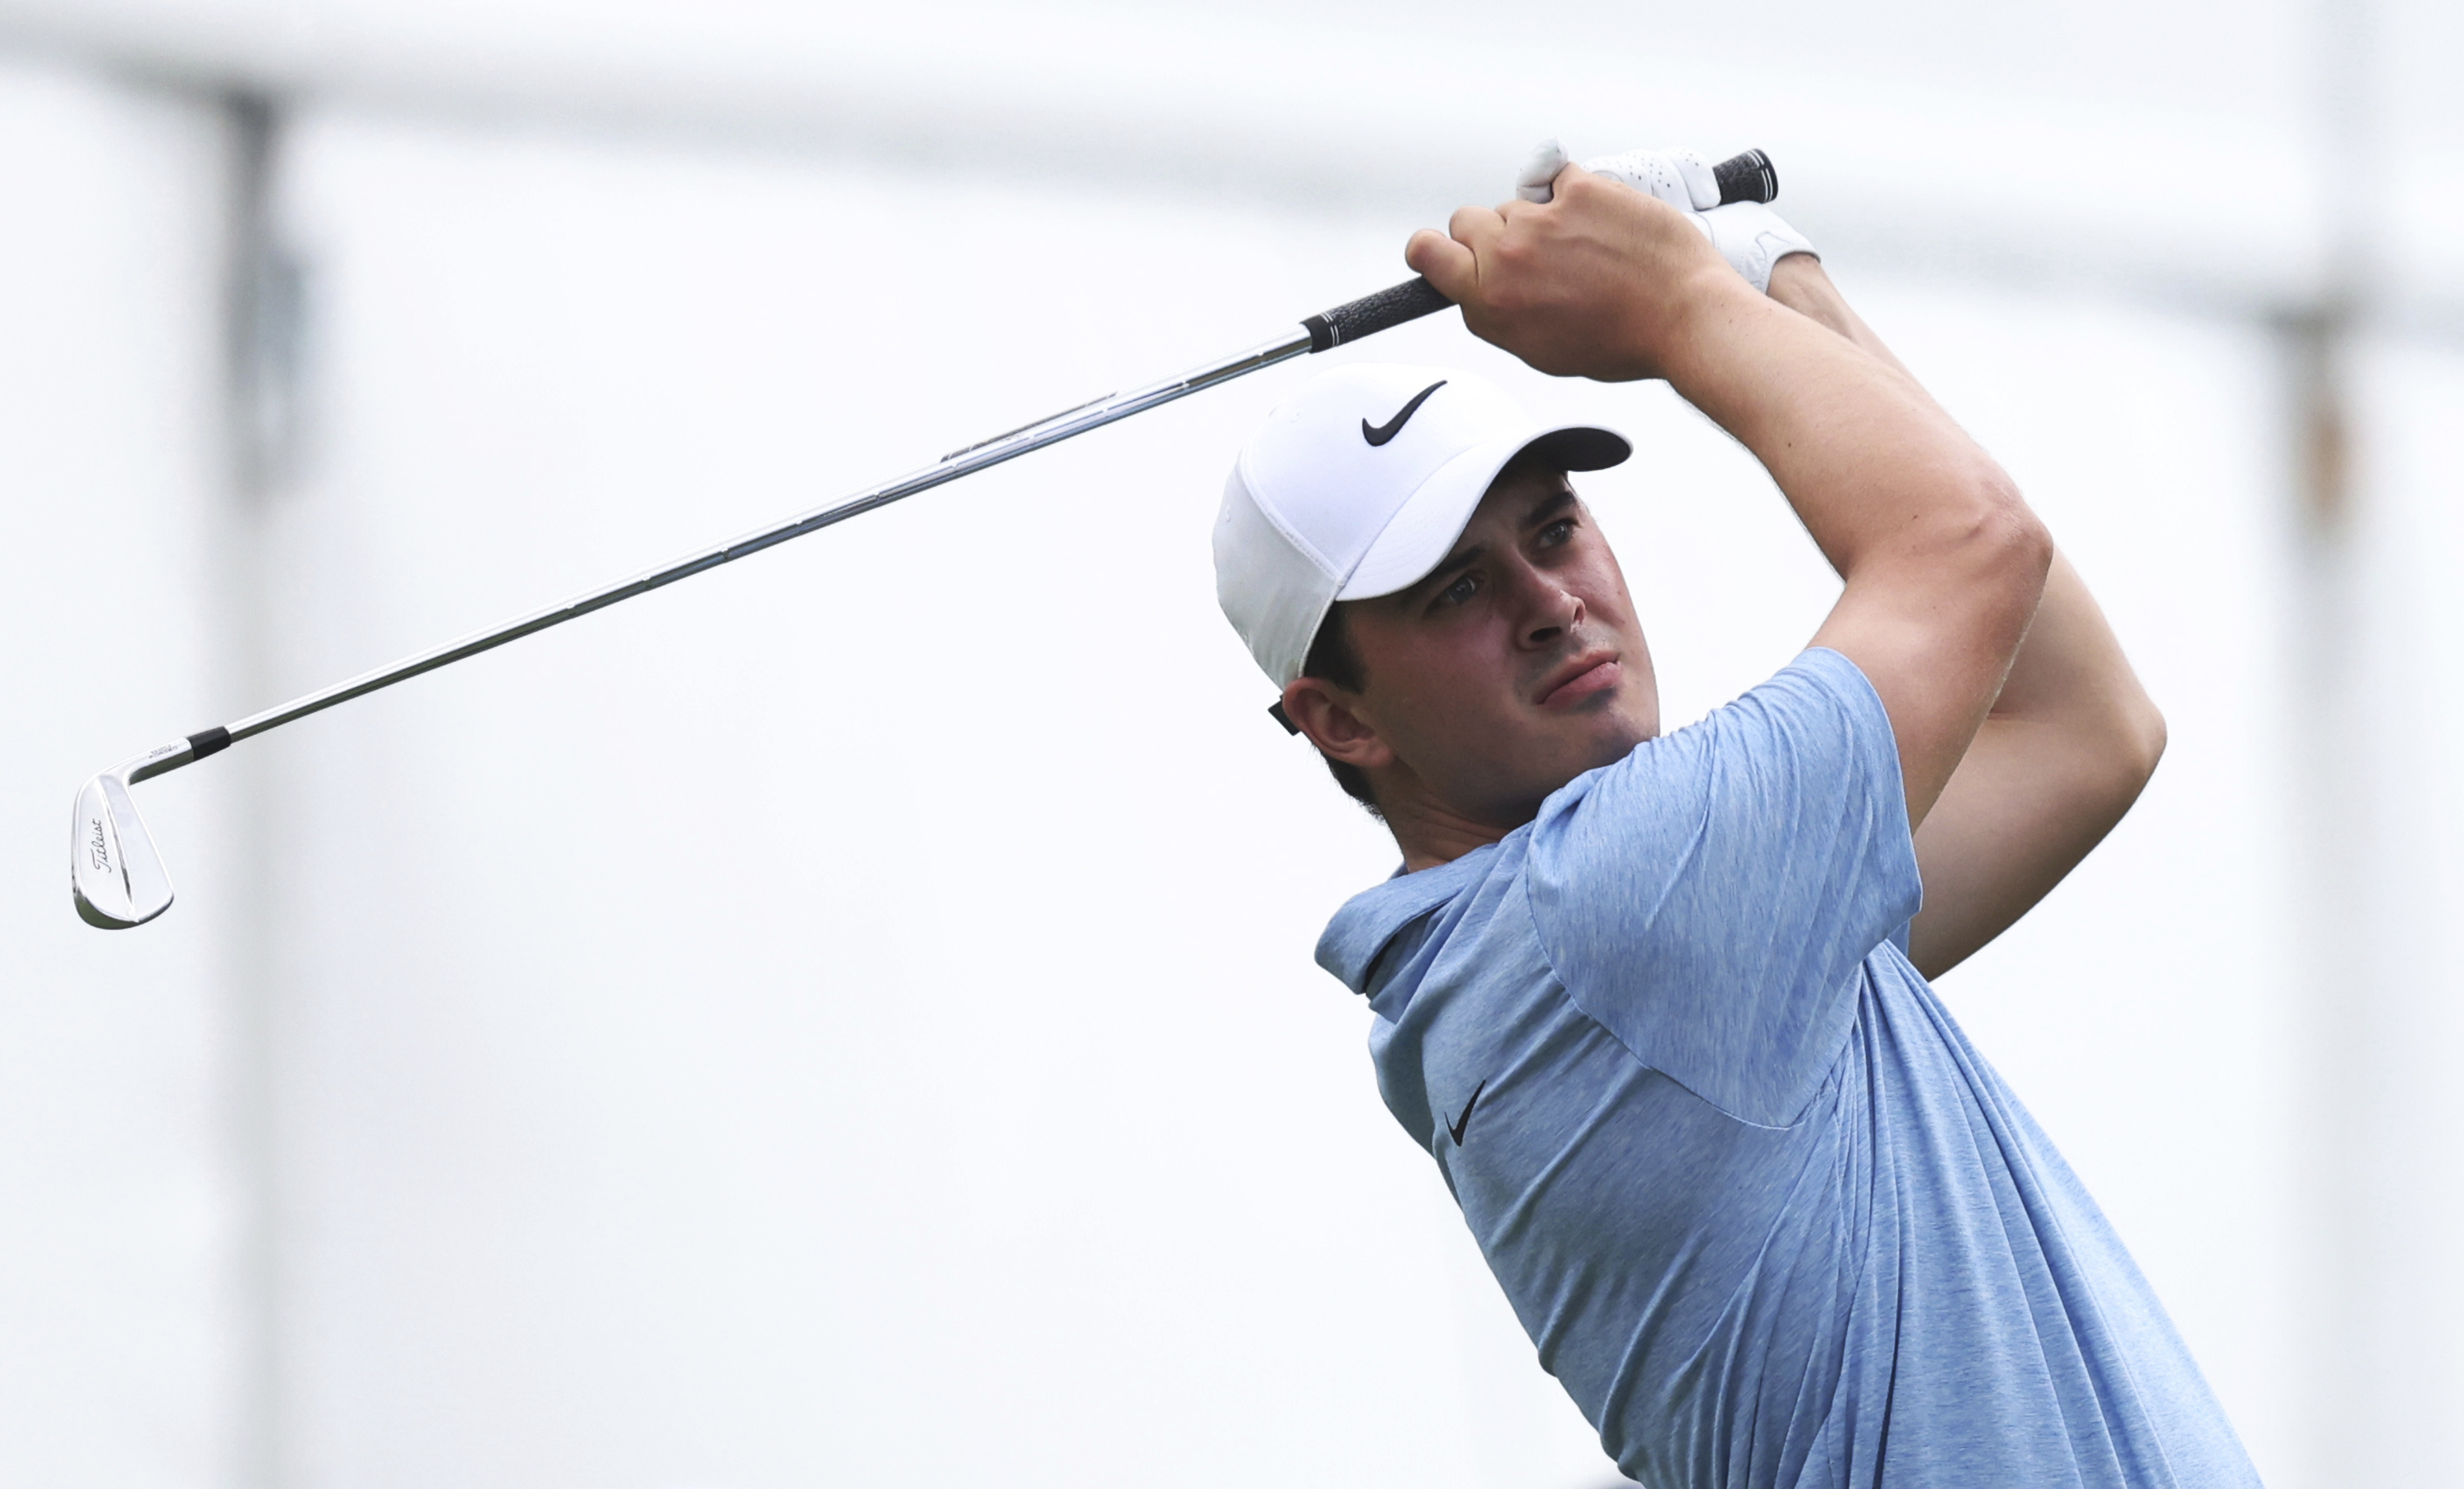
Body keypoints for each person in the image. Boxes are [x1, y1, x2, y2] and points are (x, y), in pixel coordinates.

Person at [1211, 146, 2262, 1487]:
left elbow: (2078, 729)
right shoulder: (1611, 903)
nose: (1551, 600)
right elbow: (1971, 546)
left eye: (1553, 528)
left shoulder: (1614, 953)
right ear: (1341, 720)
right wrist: (1680, 310)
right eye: (1455, 593)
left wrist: (1765, 275)